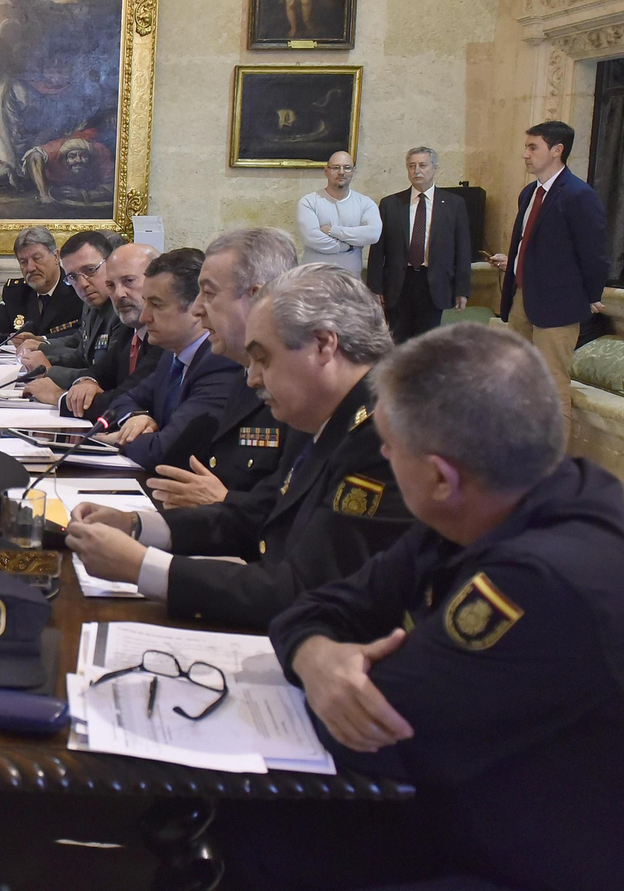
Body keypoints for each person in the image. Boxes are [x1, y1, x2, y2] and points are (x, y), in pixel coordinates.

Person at [240, 324, 624, 890]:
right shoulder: (499, 499)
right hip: (481, 803)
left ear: (439, 476)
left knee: (253, 841)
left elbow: (378, 726)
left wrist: (320, 655)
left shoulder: (545, 581)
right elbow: (325, 605)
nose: (382, 456)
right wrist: (315, 655)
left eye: (390, 446)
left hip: (529, 858)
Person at [66, 264, 414, 630]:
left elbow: (307, 590)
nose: (251, 377)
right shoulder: (322, 412)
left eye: (263, 359)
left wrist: (142, 567)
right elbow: (260, 513)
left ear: (324, 345)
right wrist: (135, 525)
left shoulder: (387, 436)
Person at [146, 226, 297, 507]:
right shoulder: (241, 368)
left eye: (209, 294)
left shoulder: (297, 386)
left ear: (256, 296)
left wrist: (226, 502)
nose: (196, 309)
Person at [489, 120, 609, 428]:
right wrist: (514, 263)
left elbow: (594, 254)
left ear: (557, 150)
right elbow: (535, 244)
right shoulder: (530, 193)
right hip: (522, 300)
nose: (525, 154)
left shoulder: (578, 195)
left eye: (533, 147)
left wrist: (591, 297)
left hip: (558, 308)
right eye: (526, 147)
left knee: (552, 387)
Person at [98, 248, 243, 470]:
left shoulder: (220, 361)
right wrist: (135, 418)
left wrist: (125, 439)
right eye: (146, 303)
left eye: (156, 305)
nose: (145, 317)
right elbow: (123, 400)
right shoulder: (172, 356)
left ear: (195, 308)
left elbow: (166, 452)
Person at [50, 242, 165, 418]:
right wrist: (86, 381)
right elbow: (99, 371)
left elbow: (126, 397)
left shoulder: (165, 336)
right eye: (111, 285)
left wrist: (58, 398)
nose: (119, 294)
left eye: (129, 281)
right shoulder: (131, 329)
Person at [369, 146, 472, 342]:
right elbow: (378, 249)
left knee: (427, 344)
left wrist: (462, 289)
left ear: (435, 168)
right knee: (397, 342)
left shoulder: (454, 204)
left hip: (434, 283)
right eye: (412, 166)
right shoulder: (390, 204)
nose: (417, 170)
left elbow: (463, 249)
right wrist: (376, 288)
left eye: (423, 165)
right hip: (399, 283)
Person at [17, 230, 124, 393]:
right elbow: (82, 354)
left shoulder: (122, 311)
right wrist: (43, 359)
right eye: (73, 277)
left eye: (90, 270)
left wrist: (49, 370)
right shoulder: (91, 304)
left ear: (111, 264)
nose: (82, 284)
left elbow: (108, 379)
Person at [0, 226, 85, 341]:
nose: (30, 268)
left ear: (56, 257)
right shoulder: (16, 292)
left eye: (37, 258)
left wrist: (43, 340)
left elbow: (84, 333)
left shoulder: (77, 288)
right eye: (23, 262)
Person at [296, 150, 382, 273]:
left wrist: (333, 231)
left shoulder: (366, 203)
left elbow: (373, 234)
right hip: (314, 278)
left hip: (350, 280)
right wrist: (349, 245)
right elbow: (312, 238)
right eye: (335, 168)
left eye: (347, 168)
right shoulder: (308, 202)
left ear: (353, 171)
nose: (341, 172)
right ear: (326, 171)